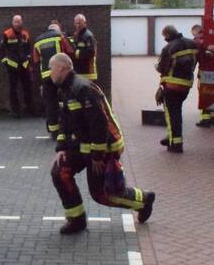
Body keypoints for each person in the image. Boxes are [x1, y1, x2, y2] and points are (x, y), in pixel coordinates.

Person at [49, 53, 156, 234]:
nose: (49, 73)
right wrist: (62, 148)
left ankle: (143, 200)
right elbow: (65, 121)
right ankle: (76, 220)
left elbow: (99, 124)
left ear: (61, 68)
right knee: (60, 172)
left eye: (51, 69)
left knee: (102, 195)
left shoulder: (83, 89)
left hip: (104, 147)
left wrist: (97, 156)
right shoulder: (66, 89)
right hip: (83, 145)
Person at [156, 25, 199, 153]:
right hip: (186, 86)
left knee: (172, 115)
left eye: (164, 37)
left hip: (171, 86)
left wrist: (157, 67)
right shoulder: (192, 44)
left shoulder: (168, 48)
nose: (164, 39)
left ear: (168, 35)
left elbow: (161, 67)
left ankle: (175, 144)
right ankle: (172, 137)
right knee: (176, 113)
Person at [31, 21, 74, 138]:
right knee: (66, 99)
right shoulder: (59, 36)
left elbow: (36, 60)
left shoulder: (38, 41)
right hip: (60, 74)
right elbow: (70, 51)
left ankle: (54, 131)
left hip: (46, 75)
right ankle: (68, 128)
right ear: (56, 30)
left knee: (50, 102)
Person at [0, 14, 33, 118]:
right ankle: (15, 111)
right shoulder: (7, 34)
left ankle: (29, 109)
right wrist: (6, 62)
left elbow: (29, 49)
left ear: (22, 22)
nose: (17, 24)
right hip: (12, 67)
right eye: (15, 22)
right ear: (12, 23)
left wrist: (28, 60)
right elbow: (1, 50)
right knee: (13, 89)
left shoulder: (25, 34)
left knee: (27, 87)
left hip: (24, 66)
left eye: (19, 22)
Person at [191, 24, 214, 128]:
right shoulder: (212, 39)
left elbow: (195, 57)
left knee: (205, 94)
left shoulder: (197, 43)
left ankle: (206, 119)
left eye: (197, 35)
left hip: (205, 72)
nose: (197, 38)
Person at [69, 13, 98, 82]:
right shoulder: (77, 35)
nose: (78, 25)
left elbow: (91, 52)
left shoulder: (88, 36)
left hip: (88, 71)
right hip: (79, 71)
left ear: (85, 23)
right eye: (76, 23)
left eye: (80, 23)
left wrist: (75, 53)